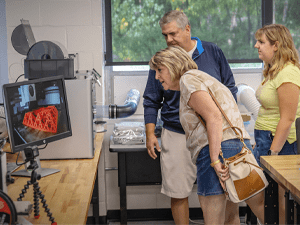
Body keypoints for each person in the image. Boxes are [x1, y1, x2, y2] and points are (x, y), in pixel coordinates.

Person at [149, 45, 265, 225]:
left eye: (159, 70)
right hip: (238, 147)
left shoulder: (188, 80)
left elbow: (214, 117)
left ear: (173, 65)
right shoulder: (204, 78)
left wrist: (214, 160)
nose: (157, 77)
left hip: (218, 151)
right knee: (242, 213)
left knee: (214, 218)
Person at [143, 10, 237, 224]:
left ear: (187, 29)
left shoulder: (213, 52)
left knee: (222, 189)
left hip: (213, 133)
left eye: (173, 33)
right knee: (178, 191)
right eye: (164, 35)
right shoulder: (163, 60)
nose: (169, 40)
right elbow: (151, 98)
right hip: (176, 133)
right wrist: (150, 132)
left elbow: (229, 88)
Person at [253, 24, 300, 224]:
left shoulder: (288, 73)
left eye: (261, 42)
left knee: (280, 200)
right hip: (266, 140)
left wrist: (273, 153)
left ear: (276, 45)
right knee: (258, 193)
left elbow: (288, 118)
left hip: (279, 143)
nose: (256, 46)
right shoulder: (273, 70)